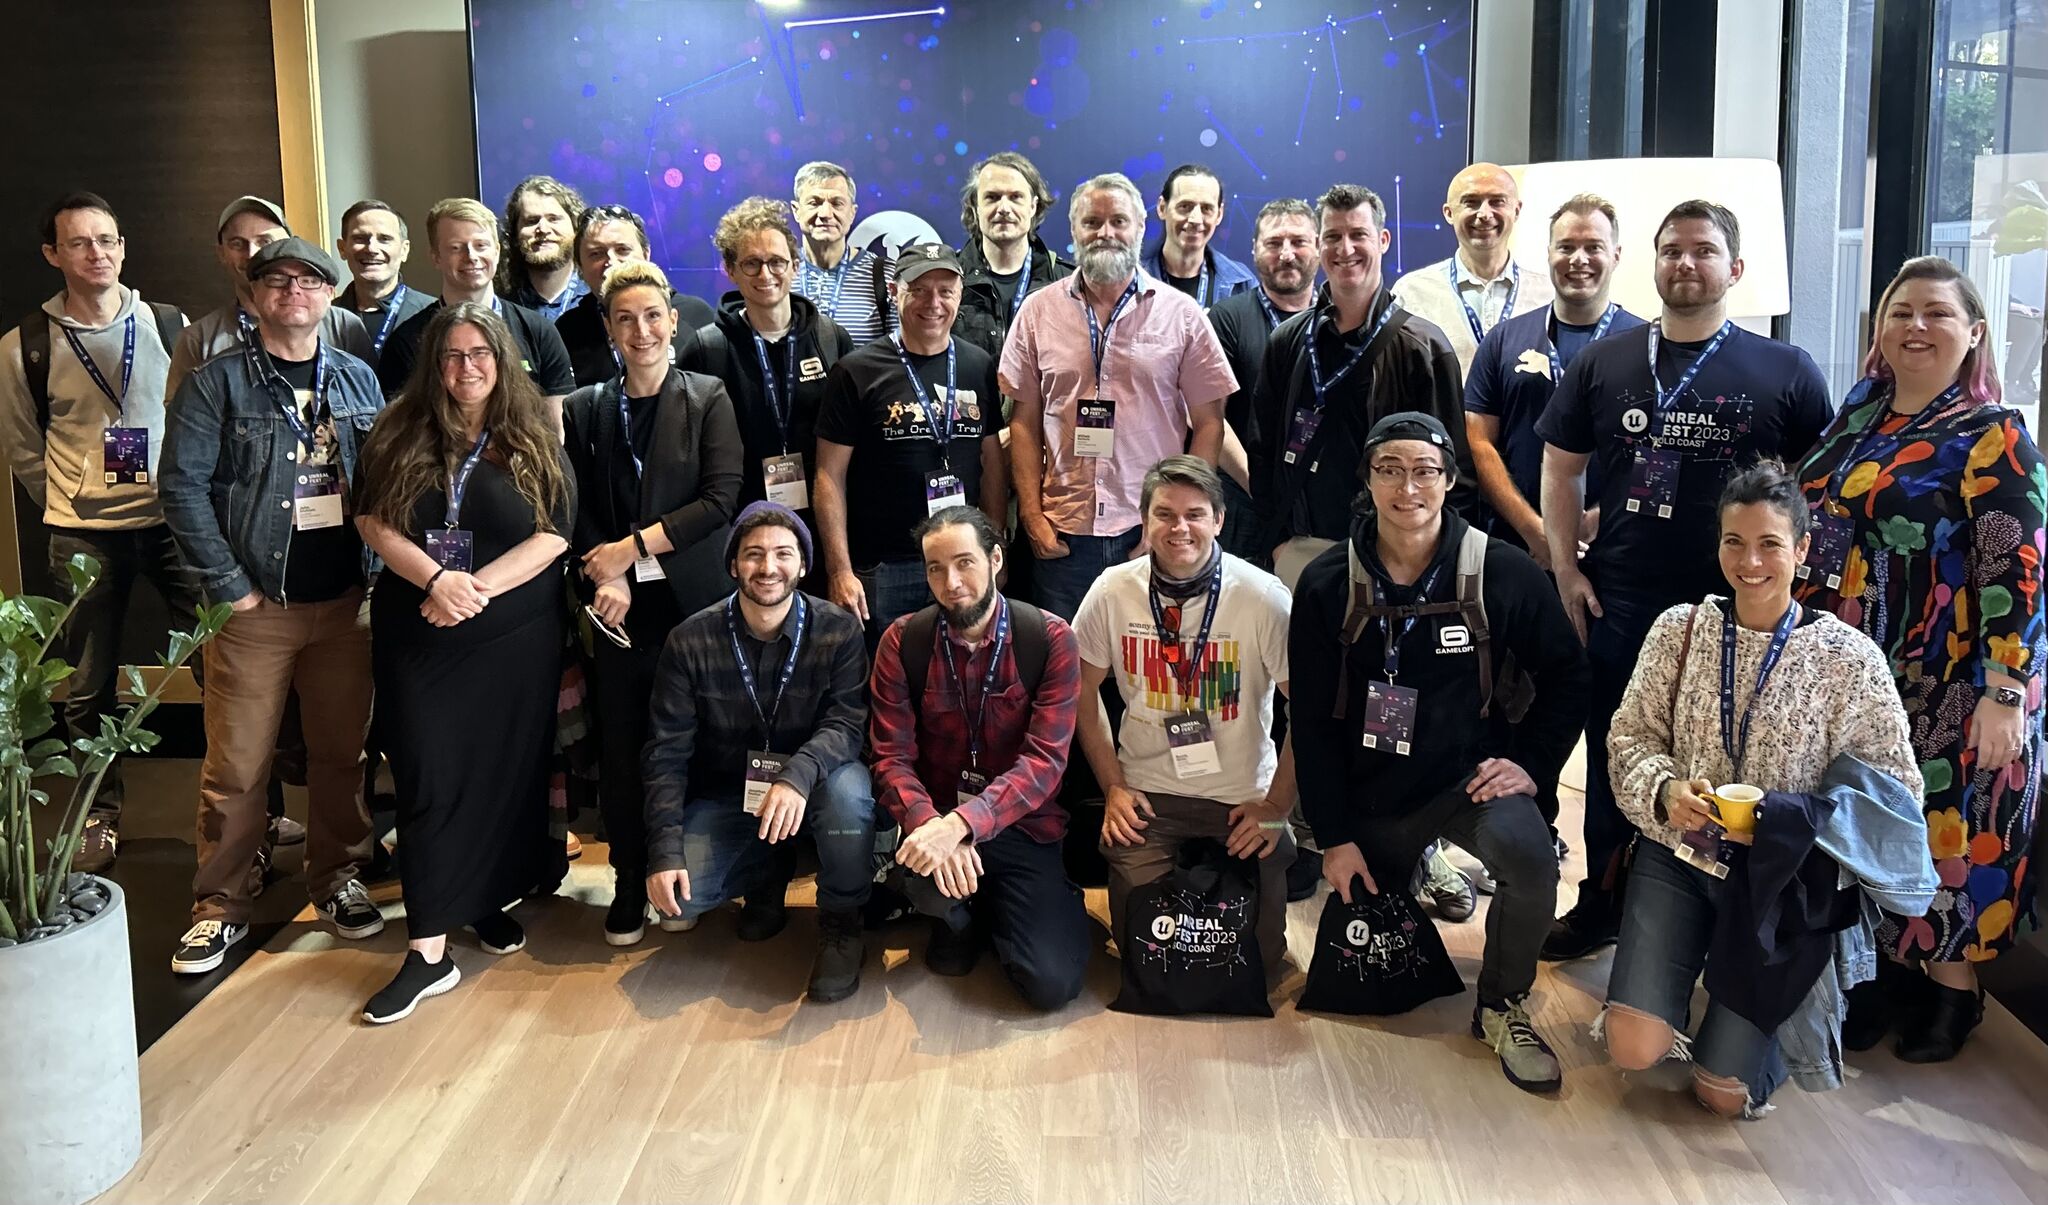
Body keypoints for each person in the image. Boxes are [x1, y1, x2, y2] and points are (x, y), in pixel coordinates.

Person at [1535, 200, 1834, 961]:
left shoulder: (1785, 369)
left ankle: (1724, 915)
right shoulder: (1606, 359)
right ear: (1654, 262)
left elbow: (1817, 494)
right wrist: (1565, 566)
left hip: (1739, 610)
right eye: (1672, 250)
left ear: (1734, 269)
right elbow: (1560, 468)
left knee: (1735, 760)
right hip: (1624, 600)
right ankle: (1602, 898)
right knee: (1618, 755)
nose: (1686, 264)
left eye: (1704, 252)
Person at [1602, 460, 1932, 1118]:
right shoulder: (1680, 629)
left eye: (1770, 544)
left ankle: (1757, 1034)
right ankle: (1691, 987)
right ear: (1718, 544)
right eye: (1734, 542)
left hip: (1778, 884)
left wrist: (1788, 819)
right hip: (1680, 852)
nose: (1750, 561)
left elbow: (1897, 795)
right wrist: (1665, 791)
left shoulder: (1848, 657)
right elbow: (1628, 738)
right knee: (1633, 1048)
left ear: (1803, 549)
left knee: (1722, 1095)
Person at [1290, 412, 1589, 1093]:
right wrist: (1334, 837)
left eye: (1425, 468)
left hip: (1465, 779)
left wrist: (1533, 764)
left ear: (1451, 479)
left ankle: (1501, 1004)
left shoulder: (1503, 572)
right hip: (1369, 785)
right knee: (1354, 965)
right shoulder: (1325, 584)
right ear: (1367, 478)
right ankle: (1419, 866)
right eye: (1389, 467)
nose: (1408, 485)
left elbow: (1571, 677)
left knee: (1530, 857)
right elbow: (1307, 720)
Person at [1793, 256, 2046, 1062]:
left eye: (1937, 313)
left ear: (1973, 333)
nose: (1915, 327)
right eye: (1901, 311)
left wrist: (2004, 692)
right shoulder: (1859, 413)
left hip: (1949, 675)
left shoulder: (1992, 433)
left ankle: (1952, 990)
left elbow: (2020, 567)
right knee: (1870, 820)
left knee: (1951, 830)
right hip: (1856, 671)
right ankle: (1882, 975)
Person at [157, 237, 383, 974]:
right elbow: (180, 489)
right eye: (276, 280)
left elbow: (381, 484)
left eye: (310, 279)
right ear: (253, 296)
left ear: (328, 295)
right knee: (239, 763)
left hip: (346, 604)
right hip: (256, 608)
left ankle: (339, 878)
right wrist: (231, 588)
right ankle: (219, 906)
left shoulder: (356, 379)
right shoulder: (214, 384)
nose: (293, 291)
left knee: (340, 755)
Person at [351, 302, 573, 1022]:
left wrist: (473, 588)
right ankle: (427, 951)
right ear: (432, 364)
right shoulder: (397, 427)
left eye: (481, 354)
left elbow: (557, 532)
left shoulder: (532, 432)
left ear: (502, 361)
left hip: (512, 636)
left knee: (503, 774)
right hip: (420, 630)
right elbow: (371, 518)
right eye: (452, 356)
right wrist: (437, 580)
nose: (467, 368)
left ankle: (481, 902)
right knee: (429, 775)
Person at [0, 191, 199, 871]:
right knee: (89, 683)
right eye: (81, 243)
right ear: (53, 254)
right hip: (83, 535)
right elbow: (25, 451)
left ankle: (246, 810)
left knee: (221, 664)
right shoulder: (24, 345)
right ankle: (98, 815)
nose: (99, 254)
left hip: (172, 525)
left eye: (108, 240)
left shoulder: (168, 324)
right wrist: (73, 502)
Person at [564, 261, 743, 946]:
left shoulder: (707, 396)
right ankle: (629, 876)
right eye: (625, 318)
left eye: (652, 315)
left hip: (695, 603)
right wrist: (601, 573)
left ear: (673, 320)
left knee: (699, 738)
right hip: (616, 611)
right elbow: (572, 507)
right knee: (624, 746)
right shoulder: (585, 407)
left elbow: (720, 500)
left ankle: (694, 873)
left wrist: (630, 550)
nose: (640, 330)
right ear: (609, 329)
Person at [1073, 455, 1296, 981]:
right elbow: (1081, 692)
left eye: (1195, 514)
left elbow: (1307, 710)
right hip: (1149, 795)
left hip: (1241, 798)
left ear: (1219, 520)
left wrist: (1276, 805)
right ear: (1144, 519)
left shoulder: (1263, 597)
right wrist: (1113, 788)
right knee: (1146, 959)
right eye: (1164, 514)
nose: (1179, 529)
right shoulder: (1112, 590)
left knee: (1255, 964)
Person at [643, 502, 877, 1002]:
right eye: (753, 555)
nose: (768, 568)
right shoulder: (689, 642)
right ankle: (769, 872)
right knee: (678, 904)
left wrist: (796, 775)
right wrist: (663, 851)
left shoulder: (838, 630)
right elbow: (666, 753)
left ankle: (842, 919)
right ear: (733, 565)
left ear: (802, 564)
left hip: (818, 784)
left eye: (782, 554)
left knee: (850, 796)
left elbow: (847, 724)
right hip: (733, 797)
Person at [868, 506, 1091, 1008]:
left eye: (964, 563)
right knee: (934, 936)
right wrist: (934, 825)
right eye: (935, 568)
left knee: (1050, 985)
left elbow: (1044, 763)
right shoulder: (902, 642)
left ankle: (996, 905)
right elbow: (890, 758)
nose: (951, 583)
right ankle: (954, 911)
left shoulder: (1050, 638)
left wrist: (964, 825)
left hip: (1021, 827)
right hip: (934, 825)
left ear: (995, 559)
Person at [1001, 172, 1236, 620]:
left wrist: (1172, 521)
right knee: (1067, 678)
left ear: (1140, 227)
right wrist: (1031, 516)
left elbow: (1209, 424)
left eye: (1118, 221)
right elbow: (1023, 423)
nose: (1105, 233)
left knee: (1151, 676)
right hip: (1063, 537)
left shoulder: (1181, 315)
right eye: (1092, 222)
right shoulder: (1036, 312)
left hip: (1147, 532)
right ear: (1073, 232)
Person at [1248, 183, 1470, 591]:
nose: (1344, 248)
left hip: (1395, 553)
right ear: (1318, 244)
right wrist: (1277, 542)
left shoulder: (1423, 348)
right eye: (1332, 236)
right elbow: (1262, 451)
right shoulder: (1289, 342)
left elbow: (1454, 469)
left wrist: (1430, 557)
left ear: (1383, 240)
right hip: (1301, 550)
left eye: (1358, 235)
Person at [815, 243, 1008, 640]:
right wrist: (840, 571)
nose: (933, 302)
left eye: (945, 291)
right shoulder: (856, 371)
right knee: (890, 680)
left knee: (962, 674)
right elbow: (828, 476)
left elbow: (992, 463)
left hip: (963, 559)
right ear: (893, 291)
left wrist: (992, 551)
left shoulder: (977, 365)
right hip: (885, 566)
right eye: (918, 289)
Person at [1464, 193, 1645, 565]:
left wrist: (1593, 520)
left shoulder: (1648, 347)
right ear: (1549, 253)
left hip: (1615, 548)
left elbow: (1658, 455)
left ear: (1616, 255)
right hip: (1516, 550)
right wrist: (1535, 530)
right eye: (1566, 247)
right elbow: (1478, 444)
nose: (1579, 260)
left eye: (1593, 246)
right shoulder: (1503, 340)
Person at [688, 197, 855, 531]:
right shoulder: (708, 348)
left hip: (822, 518)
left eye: (777, 262)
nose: (765, 274)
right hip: (737, 521)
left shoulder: (830, 338)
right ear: (730, 269)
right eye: (752, 263)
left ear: (795, 265)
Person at [164, 196, 375, 400]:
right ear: (221, 253)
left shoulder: (345, 327)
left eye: (265, 241)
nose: (252, 253)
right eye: (237, 244)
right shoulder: (197, 339)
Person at [376, 198, 577, 412]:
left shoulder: (539, 331)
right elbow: (403, 429)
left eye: (481, 245)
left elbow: (557, 425)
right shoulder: (408, 341)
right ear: (436, 257)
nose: (471, 256)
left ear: (497, 251)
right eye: (456, 248)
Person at [1207, 197, 1319, 557]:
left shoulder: (1339, 321)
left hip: (1320, 504)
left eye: (1299, 242)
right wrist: (1262, 488)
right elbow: (1211, 419)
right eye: (1273, 243)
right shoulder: (1227, 319)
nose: (1286, 254)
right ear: (1254, 250)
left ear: (1318, 246)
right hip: (1245, 502)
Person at [1390, 162, 1554, 379]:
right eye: (1471, 202)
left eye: (1497, 202)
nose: (1485, 214)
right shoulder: (1412, 293)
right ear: (1449, 213)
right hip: (1440, 413)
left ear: (1516, 210)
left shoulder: (1547, 295)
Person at [556, 203, 715, 388]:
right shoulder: (566, 332)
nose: (611, 261)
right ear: (580, 266)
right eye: (596, 254)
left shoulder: (698, 316)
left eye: (622, 250)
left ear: (646, 254)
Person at [953, 151, 1073, 362]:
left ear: (1033, 206)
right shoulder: (949, 281)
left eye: (1016, 197)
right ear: (975, 207)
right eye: (992, 197)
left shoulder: (1065, 283)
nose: (1004, 208)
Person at [791, 161, 892, 345]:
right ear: (796, 211)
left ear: (852, 213)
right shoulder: (777, 273)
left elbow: (900, 355)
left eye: (837, 203)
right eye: (814, 203)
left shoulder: (884, 275)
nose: (825, 213)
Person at [1141, 163, 1255, 307]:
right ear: (1162, 208)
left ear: (1219, 215)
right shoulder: (1131, 282)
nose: (1195, 219)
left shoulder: (1242, 285)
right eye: (1185, 207)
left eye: (1206, 208)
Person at [333, 199, 431, 360]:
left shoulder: (433, 315)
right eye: (360, 238)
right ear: (342, 249)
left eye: (384, 239)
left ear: (404, 250)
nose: (371, 248)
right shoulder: (322, 317)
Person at [499, 175, 588, 323]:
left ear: (575, 227)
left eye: (553, 219)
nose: (543, 229)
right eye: (532, 221)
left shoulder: (598, 299)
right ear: (514, 234)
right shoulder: (500, 305)